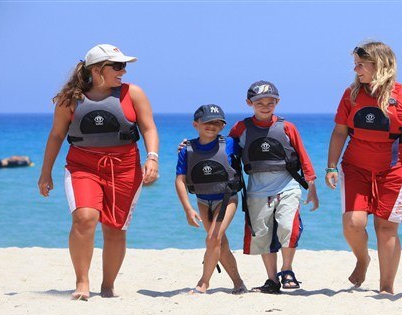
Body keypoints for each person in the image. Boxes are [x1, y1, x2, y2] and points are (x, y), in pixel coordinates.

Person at [37, 44, 159, 300]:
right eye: (117, 66)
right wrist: (45, 173)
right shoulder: (70, 99)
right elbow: (57, 135)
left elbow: (148, 128)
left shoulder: (133, 93)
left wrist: (152, 158)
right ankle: (82, 283)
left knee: (115, 229)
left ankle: (107, 286)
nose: (123, 71)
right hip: (83, 166)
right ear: (96, 69)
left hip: (124, 168)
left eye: (124, 66)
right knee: (85, 218)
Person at [325, 41, 402, 294]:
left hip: (395, 170)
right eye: (355, 64)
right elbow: (339, 132)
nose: (356, 70)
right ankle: (362, 259)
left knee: (387, 227)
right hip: (356, 167)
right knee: (353, 222)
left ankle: (386, 286)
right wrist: (331, 167)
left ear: (379, 65)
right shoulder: (351, 95)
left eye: (361, 65)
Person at [229, 80, 319, 294]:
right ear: (249, 102)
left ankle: (287, 270)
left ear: (277, 102)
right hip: (257, 188)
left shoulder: (287, 127)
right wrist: (190, 147)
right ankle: (272, 280)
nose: (265, 106)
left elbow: (303, 156)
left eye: (271, 102)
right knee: (262, 234)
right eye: (260, 102)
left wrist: (312, 186)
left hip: (287, 184)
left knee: (289, 226)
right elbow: (225, 151)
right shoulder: (241, 128)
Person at [174, 104, 247, 295]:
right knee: (218, 242)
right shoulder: (186, 150)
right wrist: (188, 209)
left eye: (217, 123)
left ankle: (203, 283)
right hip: (202, 200)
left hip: (227, 198)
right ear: (195, 124)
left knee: (212, 238)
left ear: (223, 126)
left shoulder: (230, 144)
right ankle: (238, 283)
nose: (212, 126)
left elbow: (254, 147)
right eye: (207, 122)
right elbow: (180, 181)